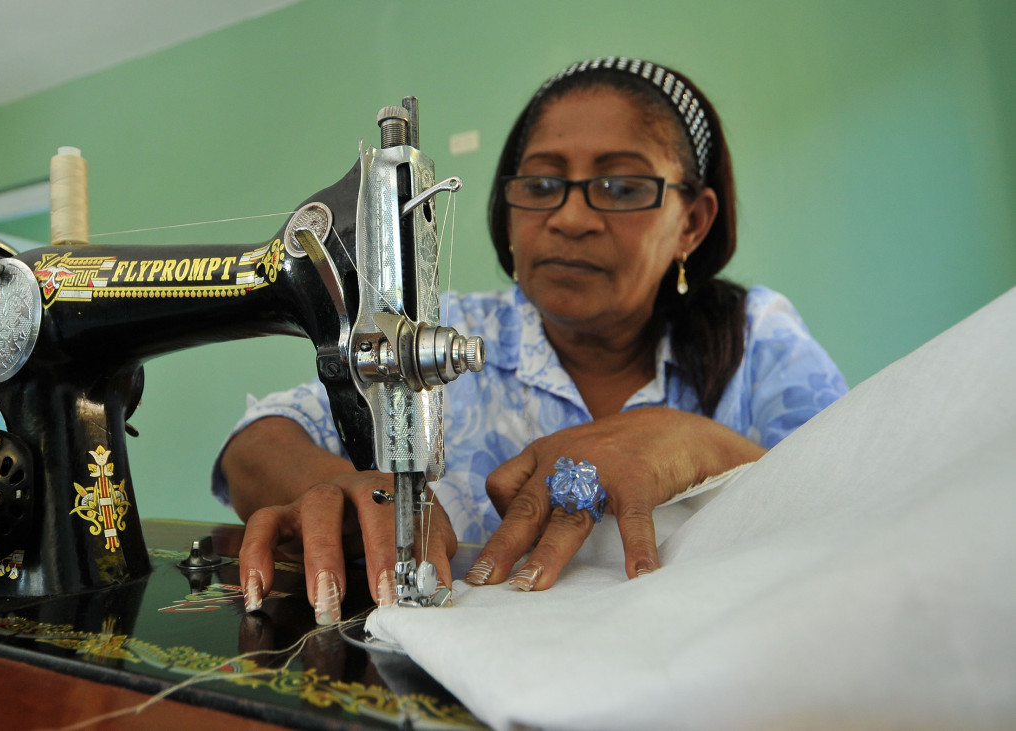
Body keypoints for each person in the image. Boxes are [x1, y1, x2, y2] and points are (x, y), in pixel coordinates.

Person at [215, 57, 847, 625]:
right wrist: (338, 487)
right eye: (541, 186)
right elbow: (257, 442)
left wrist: (698, 442)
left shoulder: (757, 341)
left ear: (693, 223)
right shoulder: (438, 334)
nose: (570, 218)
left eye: (622, 187)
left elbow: (866, 496)